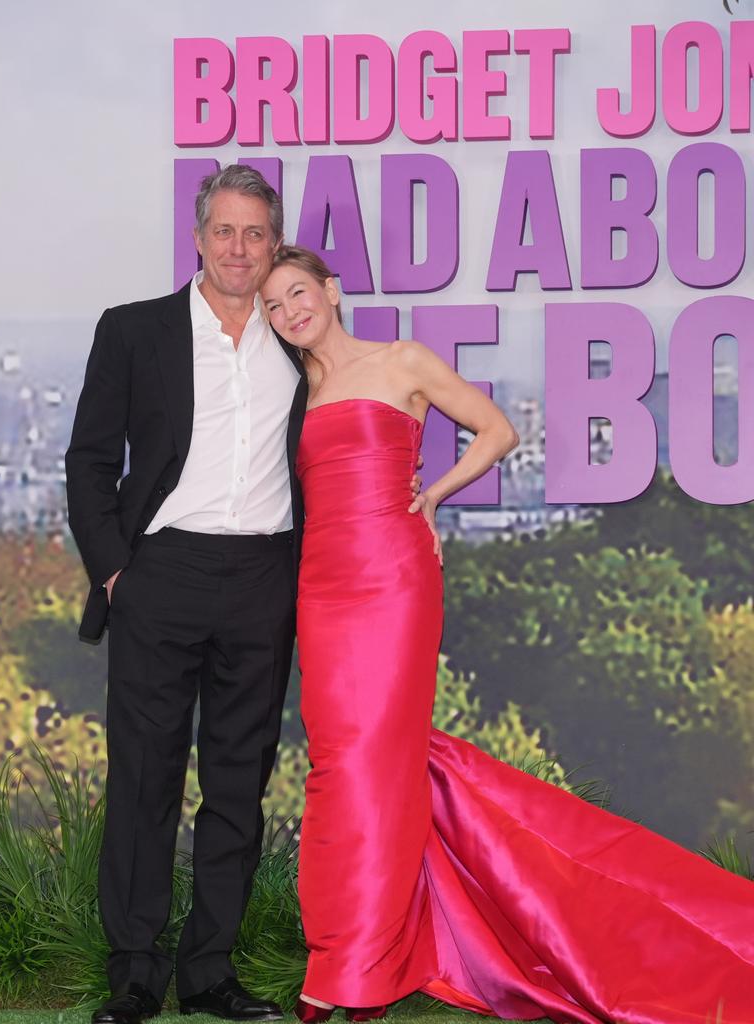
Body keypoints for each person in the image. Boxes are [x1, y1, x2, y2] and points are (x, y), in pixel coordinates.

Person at [261, 246, 754, 1024]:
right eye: (274, 306)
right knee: (339, 766)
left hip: (392, 580)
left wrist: (433, 499)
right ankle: (366, 950)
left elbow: (495, 431)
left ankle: (349, 972)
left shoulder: (403, 360)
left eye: (298, 292)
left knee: (374, 763)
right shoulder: (295, 393)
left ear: (331, 289)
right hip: (320, 591)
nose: (291, 311)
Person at [66, 165, 308, 1024]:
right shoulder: (135, 331)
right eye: (224, 231)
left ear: (272, 244)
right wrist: (116, 570)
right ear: (199, 237)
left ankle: (211, 973)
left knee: (238, 784)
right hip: (159, 576)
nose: (239, 248)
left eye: (255, 234)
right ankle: (135, 972)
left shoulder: (300, 334)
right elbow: (90, 461)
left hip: (264, 580)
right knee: (144, 779)